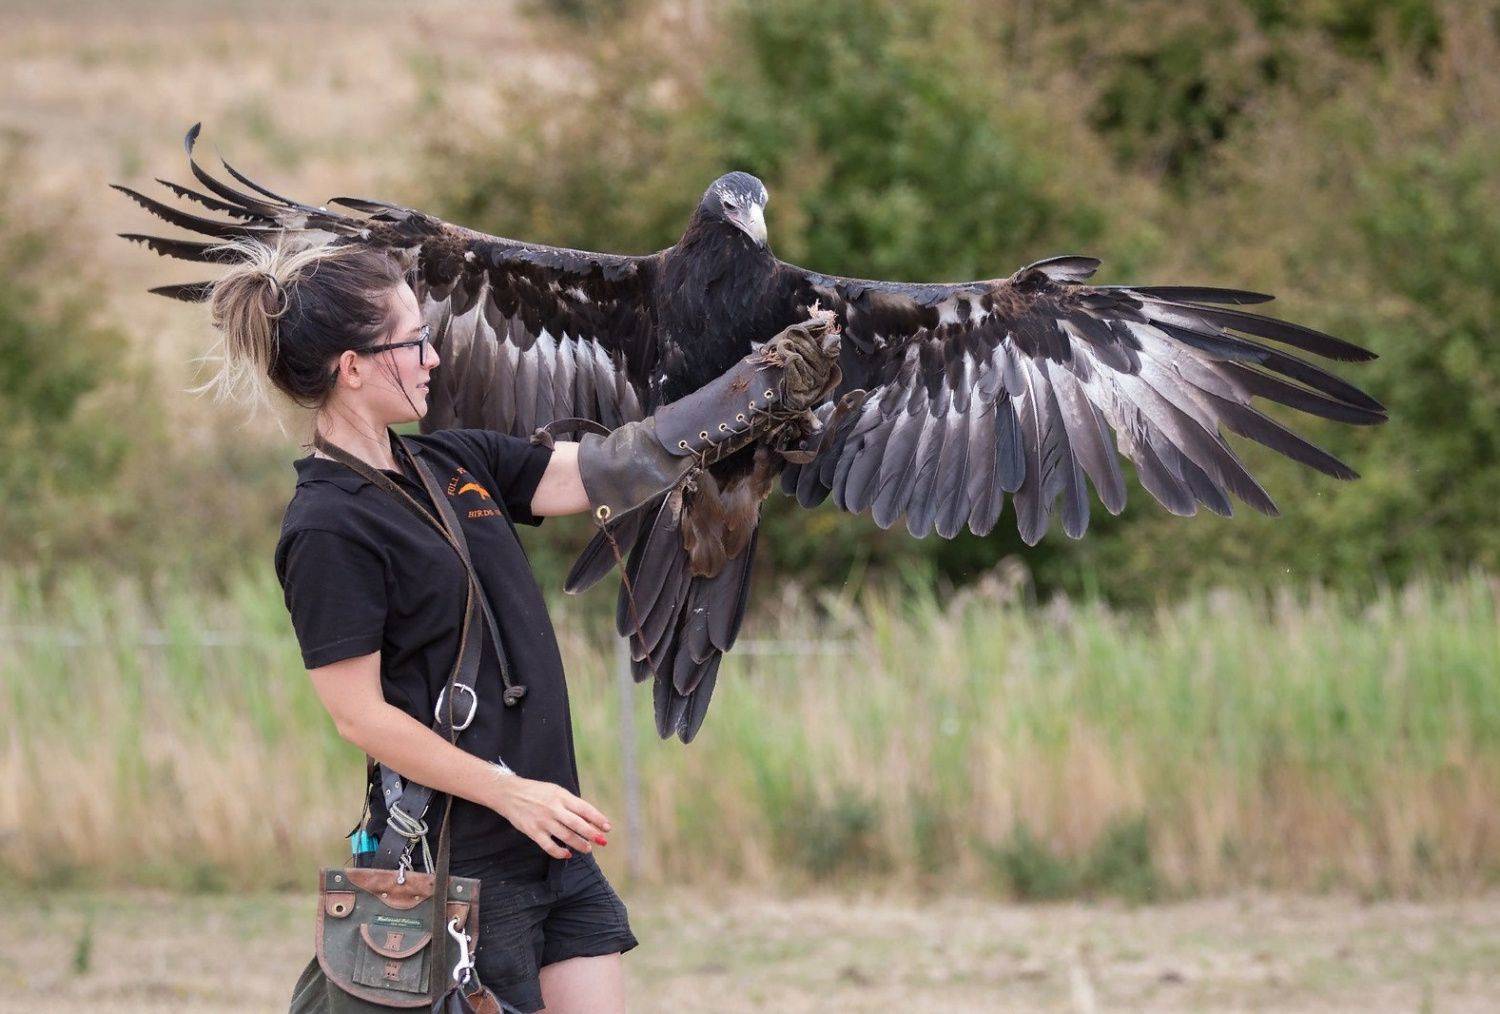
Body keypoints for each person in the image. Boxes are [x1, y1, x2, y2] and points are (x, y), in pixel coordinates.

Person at [197, 238, 828, 1013]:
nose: (433, 357)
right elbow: (356, 715)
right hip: (464, 863)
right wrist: (510, 793)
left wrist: (746, 394)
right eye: (412, 342)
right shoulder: (328, 525)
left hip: (554, 848)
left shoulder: (451, 462)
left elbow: (610, 467)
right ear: (351, 367)